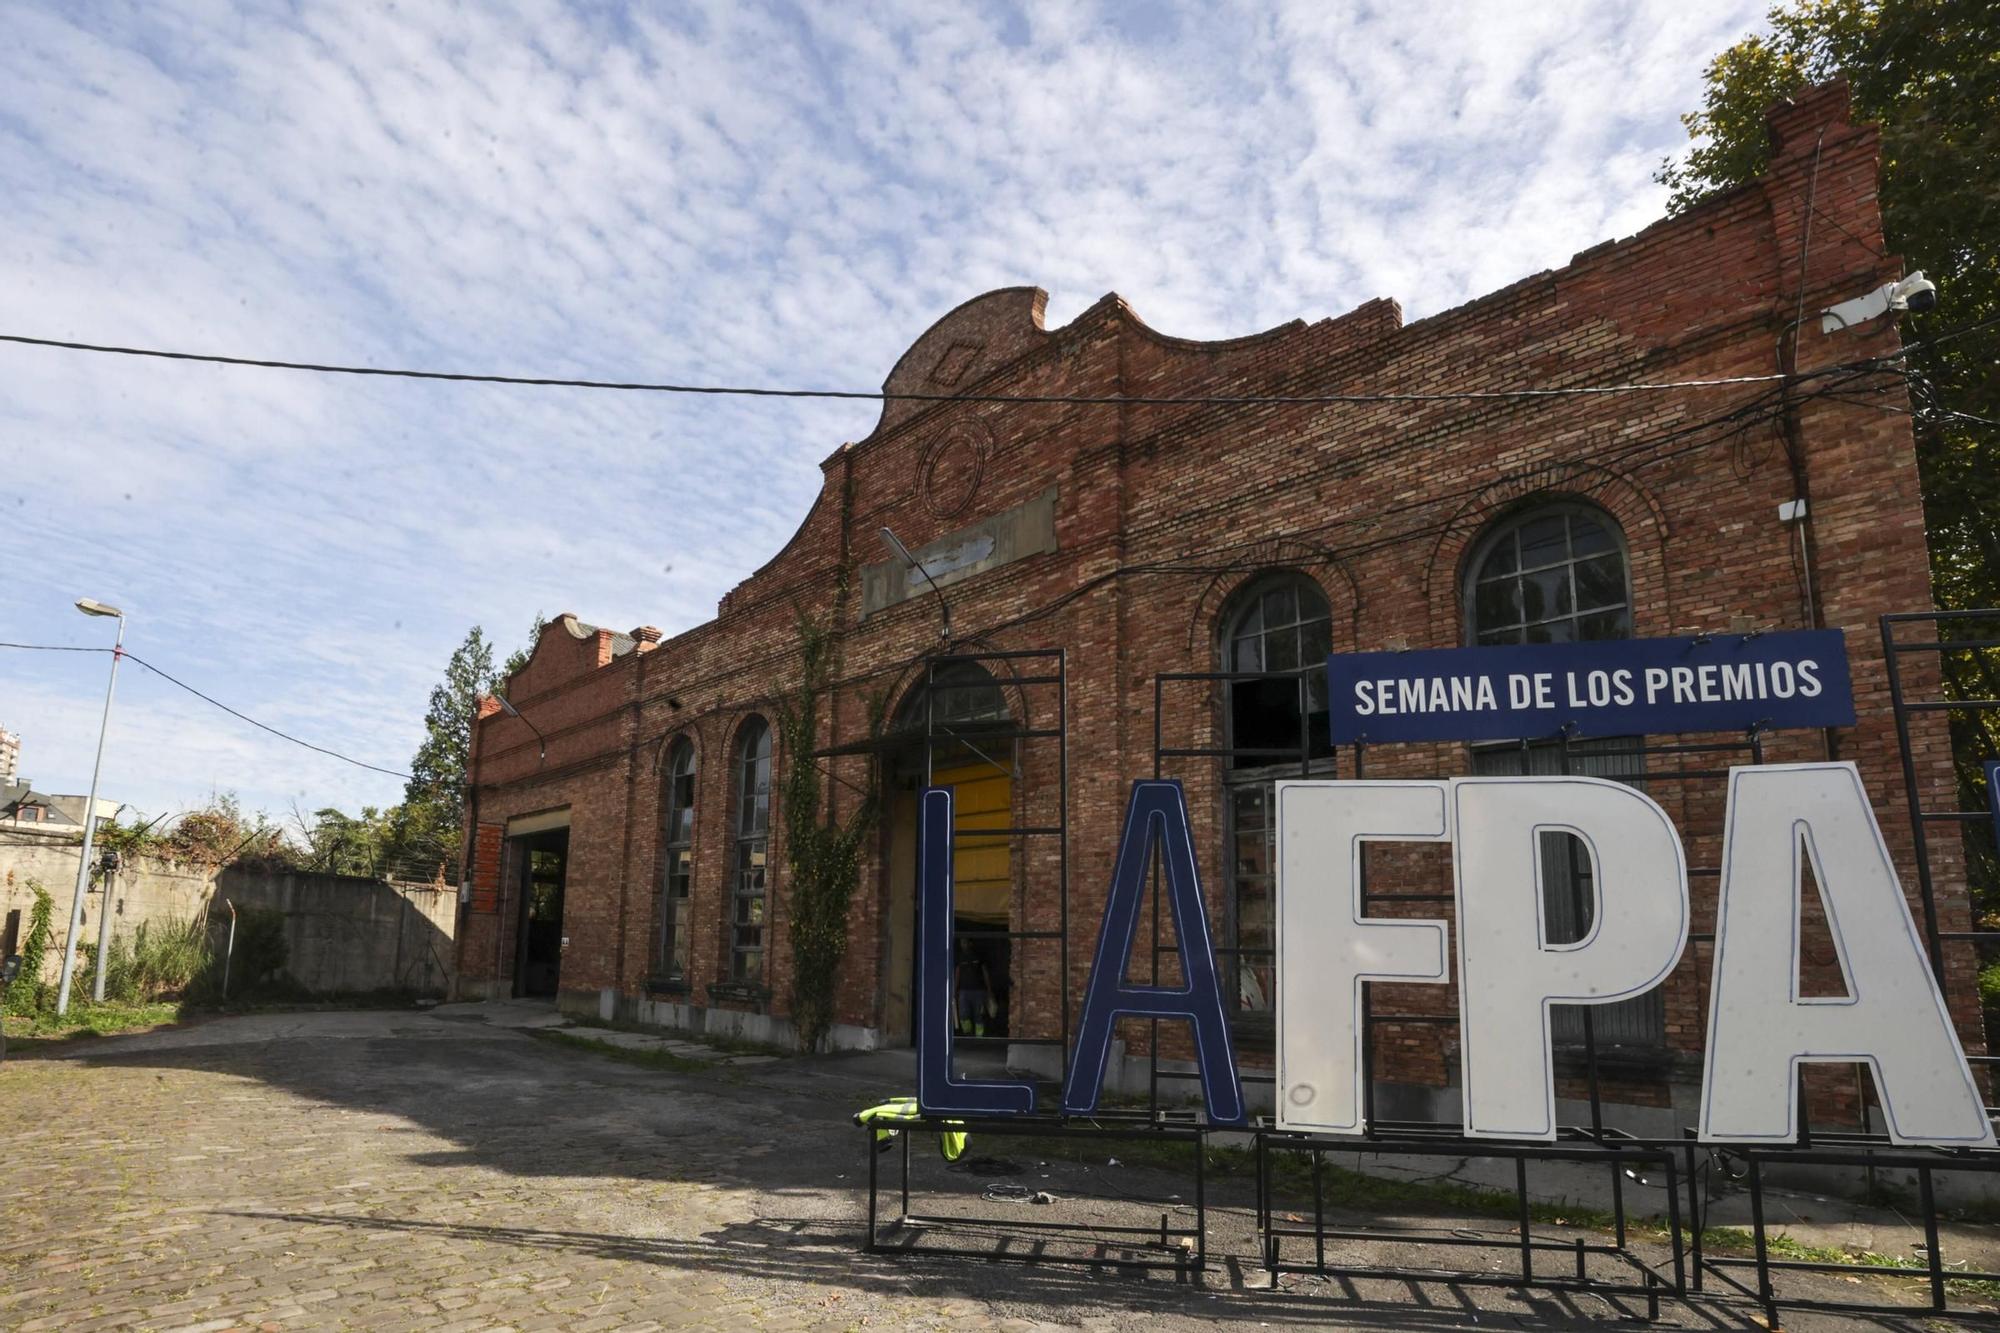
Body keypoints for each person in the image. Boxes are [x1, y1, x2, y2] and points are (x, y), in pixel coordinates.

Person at [953, 942, 991, 1038]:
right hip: (964, 991)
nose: (963, 944)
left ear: (971, 943)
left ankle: (979, 1037)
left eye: (965, 942)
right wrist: (955, 990)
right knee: (963, 1015)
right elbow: (957, 974)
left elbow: (985, 972)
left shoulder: (978, 956)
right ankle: (967, 1034)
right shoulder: (960, 957)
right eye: (962, 942)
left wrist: (989, 989)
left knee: (979, 1015)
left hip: (979, 991)